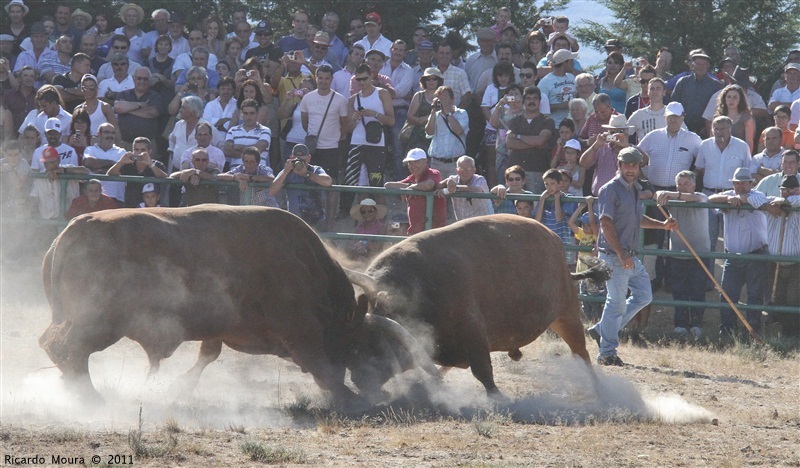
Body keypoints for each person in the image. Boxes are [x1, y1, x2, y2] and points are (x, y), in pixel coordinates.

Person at [587, 147, 677, 366]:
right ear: (619, 165)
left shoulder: (634, 189)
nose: (630, 169)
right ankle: (607, 352)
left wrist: (662, 226)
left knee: (644, 296)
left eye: (634, 165)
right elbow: (605, 223)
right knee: (616, 303)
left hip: (628, 256)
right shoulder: (610, 189)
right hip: (614, 256)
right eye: (626, 165)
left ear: (638, 168)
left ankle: (602, 330)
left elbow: (638, 218)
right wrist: (620, 253)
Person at [707, 168, 769, 337]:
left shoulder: (758, 195)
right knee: (727, 295)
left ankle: (753, 332)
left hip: (755, 254)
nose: (740, 186)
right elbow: (710, 198)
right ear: (732, 184)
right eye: (737, 183)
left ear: (750, 183)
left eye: (744, 182)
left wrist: (737, 199)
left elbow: (755, 201)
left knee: (755, 296)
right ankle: (727, 331)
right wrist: (729, 198)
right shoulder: (728, 195)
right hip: (732, 256)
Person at [655, 171, 710, 338]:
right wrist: (660, 193)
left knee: (697, 291)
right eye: (679, 184)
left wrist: (674, 194)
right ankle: (680, 324)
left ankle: (696, 324)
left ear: (693, 185)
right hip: (677, 253)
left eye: (686, 184)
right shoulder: (672, 200)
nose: (682, 187)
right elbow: (656, 195)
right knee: (679, 291)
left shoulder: (700, 196)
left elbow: (697, 198)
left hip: (699, 253)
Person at [299, 65, 349, 231]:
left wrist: (333, 138)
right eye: (320, 78)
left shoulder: (340, 99)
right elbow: (305, 122)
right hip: (313, 149)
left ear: (331, 80)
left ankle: (329, 226)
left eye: (327, 78)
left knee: (331, 185)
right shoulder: (307, 98)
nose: (323, 81)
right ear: (316, 78)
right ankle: (312, 222)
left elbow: (344, 126)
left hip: (331, 147)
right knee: (310, 182)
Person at [695, 115, 752, 251]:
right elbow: (699, 169)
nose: (719, 132)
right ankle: (707, 272)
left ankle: (731, 271)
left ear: (730, 129)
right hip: (709, 196)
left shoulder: (742, 146)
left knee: (732, 241)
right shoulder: (705, 145)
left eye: (723, 128)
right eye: (716, 129)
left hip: (732, 198)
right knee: (707, 241)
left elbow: (747, 172)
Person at [344, 63, 394, 194]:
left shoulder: (382, 93)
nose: (361, 82)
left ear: (371, 76)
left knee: (376, 183)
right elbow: (348, 128)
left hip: (376, 142)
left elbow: (391, 121)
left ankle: (379, 212)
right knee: (355, 183)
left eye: (364, 78)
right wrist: (354, 119)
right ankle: (359, 211)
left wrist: (374, 114)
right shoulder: (352, 99)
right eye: (358, 79)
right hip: (357, 141)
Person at [763, 174, 800, 336]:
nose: (787, 192)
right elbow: (755, 199)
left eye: (791, 189)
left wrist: (784, 202)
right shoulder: (772, 204)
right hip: (775, 262)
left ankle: (791, 332)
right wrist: (770, 205)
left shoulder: (796, 203)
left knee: (793, 299)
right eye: (784, 189)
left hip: (796, 262)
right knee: (777, 298)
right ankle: (780, 330)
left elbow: (795, 201)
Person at [506, 85, 556, 193]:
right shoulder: (515, 121)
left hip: (537, 170)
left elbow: (541, 140)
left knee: (536, 206)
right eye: (528, 98)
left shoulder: (547, 121)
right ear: (523, 101)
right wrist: (535, 143)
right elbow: (509, 143)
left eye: (535, 98)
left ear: (539, 101)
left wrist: (518, 137)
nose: (531, 101)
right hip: (515, 172)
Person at [385, 148, 446, 235]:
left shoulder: (433, 173)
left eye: (416, 162)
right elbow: (388, 185)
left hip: (433, 232)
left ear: (425, 162)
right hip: (416, 232)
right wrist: (409, 187)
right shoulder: (412, 178)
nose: (413, 166)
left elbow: (428, 185)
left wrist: (410, 187)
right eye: (410, 163)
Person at [269, 144, 332, 226]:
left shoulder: (315, 170)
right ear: (292, 158)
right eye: (297, 160)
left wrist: (307, 174)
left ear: (309, 158)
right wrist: (285, 172)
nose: (300, 164)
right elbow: (271, 192)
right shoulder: (288, 172)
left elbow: (328, 182)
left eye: (303, 160)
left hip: (316, 221)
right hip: (294, 221)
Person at [670, 50, 722, 138]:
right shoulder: (682, 82)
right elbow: (674, 105)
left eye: (704, 64)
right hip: (682, 130)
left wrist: (707, 127)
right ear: (692, 65)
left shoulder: (716, 85)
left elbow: (719, 109)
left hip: (706, 131)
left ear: (708, 66)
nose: (701, 67)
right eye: (698, 64)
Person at [29, 145, 88, 220]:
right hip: (48, 221)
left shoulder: (68, 168)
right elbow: (33, 197)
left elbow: (85, 171)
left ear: (58, 160)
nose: (49, 165)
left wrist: (64, 171)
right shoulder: (40, 177)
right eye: (46, 163)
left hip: (69, 219)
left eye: (52, 162)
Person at [106, 136, 168, 207]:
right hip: (131, 208)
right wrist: (121, 162)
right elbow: (109, 174)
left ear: (149, 152)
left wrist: (151, 164)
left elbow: (165, 178)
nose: (139, 153)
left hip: (152, 209)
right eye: (136, 150)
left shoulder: (157, 165)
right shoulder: (128, 164)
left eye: (143, 150)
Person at [569, 199, 604, 322]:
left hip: (592, 275)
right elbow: (571, 223)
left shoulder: (596, 236)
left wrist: (590, 206)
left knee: (595, 300)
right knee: (584, 301)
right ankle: (590, 322)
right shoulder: (582, 234)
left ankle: (597, 322)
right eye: (583, 225)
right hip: (582, 274)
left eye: (587, 225)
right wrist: (580, 208)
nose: (584, 227)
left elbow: (594, 226)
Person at [425, 85, 468, 179]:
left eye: (444, 98)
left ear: (452, 99)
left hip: (455, 163)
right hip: (437, 163)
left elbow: (459, 131)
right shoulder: (435, 115)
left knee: (454, 191)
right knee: (437, 191)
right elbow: (429, 132)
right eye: (439, 99)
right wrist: (433, 112)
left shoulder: (461, 113)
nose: (441, 101)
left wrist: (448, 113)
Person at [114, 67, 164, 148]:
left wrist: (127, 109)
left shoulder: (155, 96)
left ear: (149, 81)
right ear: (134, 79)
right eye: (139, 78)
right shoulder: (124, 94)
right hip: (124, 143)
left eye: (145, 79)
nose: (142, 81)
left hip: (148, 145)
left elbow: (152, 113)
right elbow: (118, 107)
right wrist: (139, 104)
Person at [437, 155, 493, 220]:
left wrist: (455, 188)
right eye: (461, 169)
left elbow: (477, 189)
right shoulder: (453, 179)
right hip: (463, 223)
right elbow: (437, 186)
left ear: (474, 170)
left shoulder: (480, 179)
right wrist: (446, 182)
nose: (465, 172)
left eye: (468, 169)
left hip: (484, 221)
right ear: (457, 171)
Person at [82, 122, 127, 203]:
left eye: (113, 133)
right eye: (107, 132)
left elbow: (122, 170)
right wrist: (113, 163)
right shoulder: (90, 149)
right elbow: (89, 163)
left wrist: (98, 168)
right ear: (99, 134)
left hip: (115, 198)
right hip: (92, 199)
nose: (110, 135)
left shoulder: (122, 152)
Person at [488, 84, 524, 181]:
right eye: (510, 94)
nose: (513, 96)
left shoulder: (525, 112)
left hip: (519, 151)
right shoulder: (503, 111)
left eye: (516, 94)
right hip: (502, 153)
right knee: (503, 180)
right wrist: (500, 104)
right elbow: (493, 123)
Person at [404, 67, 442, 154]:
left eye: (434, 78)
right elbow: (410, 117)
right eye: (428, 79)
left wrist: (426, 119)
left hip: (438, 135)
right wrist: (419, 121)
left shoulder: (443, 96)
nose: (431, 81)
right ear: (424, 81)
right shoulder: (419, 95)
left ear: (439, 81)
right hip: (418, 136)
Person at [537, 49, 577, 126]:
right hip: (554, 125)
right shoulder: (545, 82)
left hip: (572, 125)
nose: (573, 63)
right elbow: (539, 106)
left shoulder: (572, 77)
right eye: (571, 61)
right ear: (565, 63)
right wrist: (560, 106)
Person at [712, 84, 755, 154]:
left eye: (735, 97)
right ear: (724, 98)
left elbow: (749, 143)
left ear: (740, 99)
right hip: (719, 154)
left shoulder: (746, 118)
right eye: (729, 97)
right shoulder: (717, 117)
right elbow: (712, 140)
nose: (731, 100)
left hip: (739, 154)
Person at [627, 77, 670, 142]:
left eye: (658, 89)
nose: (655, 92)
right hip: (643, 151)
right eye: (652, 89)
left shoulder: (671, 114)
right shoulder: (638, 115)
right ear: (648, 92)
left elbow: (684, 134)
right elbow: (624, 135)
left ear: (664, 92)